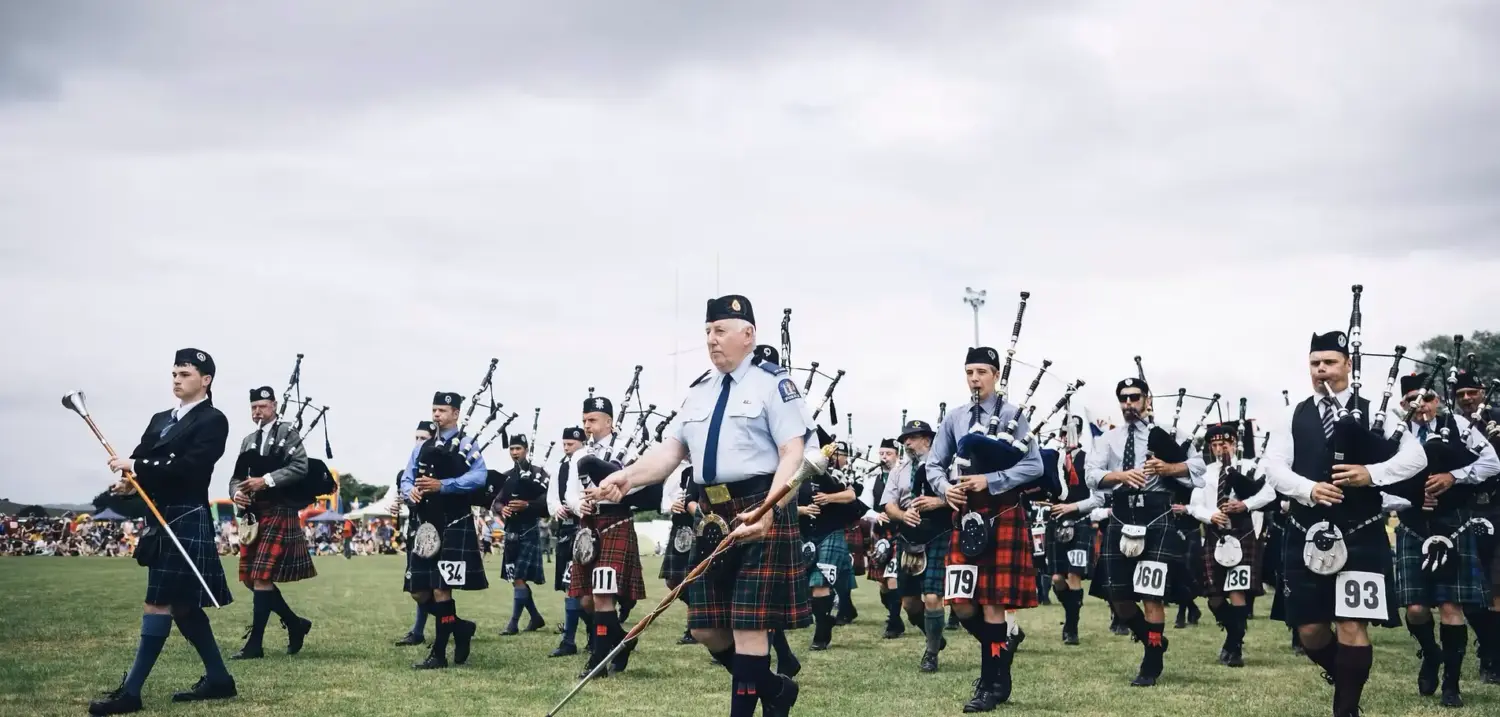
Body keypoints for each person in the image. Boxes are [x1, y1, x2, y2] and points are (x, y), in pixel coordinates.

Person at [596, 293, 811, 717]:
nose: (712, 340)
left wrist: (770, 507)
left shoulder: (773, 385)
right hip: (712, 515)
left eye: (721, 332)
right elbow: (671, 451)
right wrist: (627, 476)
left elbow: (793, 452)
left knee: (749, 627)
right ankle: (776, 690)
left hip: (758, 506)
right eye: (708, 332)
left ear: (748, 335)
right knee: (706, 628)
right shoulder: (700, 391)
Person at [1263, 330, 1427, 717]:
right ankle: (1345, 675)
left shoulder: (1376, 413)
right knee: (1310, 631)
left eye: (1330, 362)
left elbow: (1415, 458)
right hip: (1306, 531)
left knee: (1352, 622)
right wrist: (1309, 489)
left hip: (1361, 528)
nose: (1322, 370)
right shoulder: (1293, 412)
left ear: (1348, 365)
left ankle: (1346, 708)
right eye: (1315, 363)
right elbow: (1273, 467)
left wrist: (1370, 473)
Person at [90, 348, 237, 715]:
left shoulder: (213, 419)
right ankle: (219, 679)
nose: (176, 379)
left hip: (186, 513)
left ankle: (131, 693)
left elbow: (190, 466)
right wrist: (129, 482)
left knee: (159, 602)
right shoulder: (160, 419)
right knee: (184, 607)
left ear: (205, 380)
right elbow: (143, 463)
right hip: (160, 515)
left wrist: (137, 464)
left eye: (185, 374)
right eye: (174, 373)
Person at [932, 347, 1045, 712]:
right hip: (965, 517)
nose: (975, 378)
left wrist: (990, 479)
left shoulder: (1014, 416)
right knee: (963, 606)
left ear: (995, 375)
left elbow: (1034, 466)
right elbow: (934, 464)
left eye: (982, 371)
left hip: (1002, 513)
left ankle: (990, 684)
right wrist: (944, 487)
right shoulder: (955, 418)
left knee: (994, 605)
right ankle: (1002, 652)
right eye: (969, 372)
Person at [1085, 376, 1206, 687]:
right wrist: (1120, 475)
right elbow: (1092, 475)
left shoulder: (1168, 434)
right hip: (1122, 512)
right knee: (1118, 596)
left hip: (1157, 512)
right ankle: (1152, 639)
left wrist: (1169, 469)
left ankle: (1151, 661)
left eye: (1135, 397)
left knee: (1152, 593)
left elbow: (1198, 469)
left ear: (1147, 399)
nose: (1129, 404)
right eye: (1123, 398)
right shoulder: (1108, 440)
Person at [1389, 373, 1499, 706]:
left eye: (1425, 398)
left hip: (1453, 524)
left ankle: (1451, 685)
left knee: (1452, 607)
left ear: (1437, 400)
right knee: (1417, 609)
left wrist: (1454, 476)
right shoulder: (1395, 435)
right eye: (1411, 400)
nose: (1418, 405)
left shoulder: (1461, 428)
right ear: (1403, 405)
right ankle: (1431, 654)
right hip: (1411, 525)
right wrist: (1410, 496)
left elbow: (1492, 463)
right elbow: (1379, 479)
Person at [399, 392, 489, 670]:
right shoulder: (422, 446)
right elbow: (407, 476)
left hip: (454, 522)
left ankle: (438, 654)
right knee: (419, 592)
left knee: (441, 590)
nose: (437, 415)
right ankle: (460, 628)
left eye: (442, 410)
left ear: (455, 414)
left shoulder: (467, 444)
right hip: (426, 525)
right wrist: (410, 491)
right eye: (434, 409)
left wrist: (444, 485)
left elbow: (479, 476)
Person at [227, 386, 316, 661]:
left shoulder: (288, 433)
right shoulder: (247, 440)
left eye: (263, 406)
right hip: (255, 513)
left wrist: (265, 480)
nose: (257, 412)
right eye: (254, 407)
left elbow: (300, 467)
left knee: (262, 577)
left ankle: (255, 644)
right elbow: (235, 478)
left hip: (279, 508)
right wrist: (237, 493)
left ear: (274, 406)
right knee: (250, 580)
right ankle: (294, 623)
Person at [565, 395, 648, 678]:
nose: (587, 426)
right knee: (587, 601)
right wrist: (579, 505)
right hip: (589, 526)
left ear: (609, 421)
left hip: (616, 521)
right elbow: (570, 492)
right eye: (585, 420)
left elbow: (638, 483)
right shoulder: (577, 455)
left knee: (602, 595)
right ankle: (625, 642)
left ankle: (598, 661)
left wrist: (615, 490)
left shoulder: (626, 448)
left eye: (593, 420)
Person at [1187, 421, 1275, 667]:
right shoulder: (1205, 473)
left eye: (1224, 444)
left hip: (1243, 532)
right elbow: (1195, 505)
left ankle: (1235, 647)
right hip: (1216, 532)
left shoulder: (1250, 467)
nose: (1219, 449)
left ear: (1234, 443)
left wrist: (1244, 505)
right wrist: (1210, 515)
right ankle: (1232, 634)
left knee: (1237, 591)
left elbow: (1268, 494)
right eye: (1214, 445)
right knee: (1214, 596)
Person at [882, 419, 952, 672]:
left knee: (933, 597)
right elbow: (889, 505)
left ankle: (931, 652)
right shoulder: (898, 471)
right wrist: (902, 515)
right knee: (910, 604)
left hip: (938, 534)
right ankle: (936, 636)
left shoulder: (946, 465)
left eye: (912, 438)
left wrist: (938, 502)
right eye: (904, 440)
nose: (907, 443)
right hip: (908, 537)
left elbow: (960, 495)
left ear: (928, 439)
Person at [1453, 369, 1500, 683]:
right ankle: (1488, 644)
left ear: (1484, 391)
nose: (1468, 398)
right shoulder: (1453, 427)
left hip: (1498, 507)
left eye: (1473, 392)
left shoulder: (1497, 419)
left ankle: (1493, 659)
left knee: (1497, 589)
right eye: (1461, 395)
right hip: (1465, 510)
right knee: (1469, 592)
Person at [1044, 415, 1104, 646]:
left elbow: (1097, 497)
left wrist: (1073, 507)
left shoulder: (1089, 460)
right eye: (1063, 433)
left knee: (1074, 574)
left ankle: (1072, 627)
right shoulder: (1052, 459)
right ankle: (1070, 614)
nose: (1066, 437)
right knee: (1057, 578)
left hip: (1080, 521)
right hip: (1055, 521)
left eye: (1071, 433)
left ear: (1078, 435)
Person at [797, 438, 861, 650]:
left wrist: (829, 498)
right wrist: (803, 510)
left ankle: (821, 635)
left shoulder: (833, 474)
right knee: (809, 586)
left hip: (829, 532)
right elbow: (782, 503)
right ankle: (828, 619)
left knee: (820, 583)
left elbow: (851, 495)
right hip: (805, 535)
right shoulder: (796, 475)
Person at [497, 435, 550, 636]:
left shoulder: (539, 474)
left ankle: (513, 623)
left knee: (518, 576)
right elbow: (496, 501)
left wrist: (528, 505)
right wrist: (502, 509)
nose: (515, 452)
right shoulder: (506, 476)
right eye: (512, 449)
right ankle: (535, 617)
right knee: (515, 578)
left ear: (526, 449)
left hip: (529, 529)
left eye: (518, 448)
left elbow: (547, 502)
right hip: (511, 531)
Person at [394, 420, 436, 647]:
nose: (418, 443)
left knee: (434, 587)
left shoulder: (440, 470)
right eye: (416, 438)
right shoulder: (406, 473)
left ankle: (420, 631)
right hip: (415, 533)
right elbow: (405, 497)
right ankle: (454, 624)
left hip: (435, 532)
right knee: (418, 589)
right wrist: (398, 503)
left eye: (424, 438)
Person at [546, 426, 587, 657]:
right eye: (564, 444)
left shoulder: (588, 462)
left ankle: (582, 637)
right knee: (569, 586)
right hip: (566, 530)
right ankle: (571, 640)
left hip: (586, 528)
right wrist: (556, 509)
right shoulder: (561, 468)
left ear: (581, 442)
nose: (566, 448)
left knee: (580, 589)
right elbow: (552, 497)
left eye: (570, 444)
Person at [864, 438, 903, 638]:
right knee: (883, 585)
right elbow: (864, 507)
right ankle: (893, 614)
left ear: (897, 454)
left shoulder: (904, 474)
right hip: (880, 535)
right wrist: (875, 515)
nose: (884, 457)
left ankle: (895, 623)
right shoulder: (873, 479)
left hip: (900, 532)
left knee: (893, 578)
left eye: (888, 453)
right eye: (881, 454)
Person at [661, 464, 700, 646]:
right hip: (679, 527)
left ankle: (694, 626)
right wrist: (672, 505)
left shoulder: (700, 466)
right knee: (673, 581)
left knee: (695, 578)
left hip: (699, 525)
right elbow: (663, 503)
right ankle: (697, 612)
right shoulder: (676, 470)